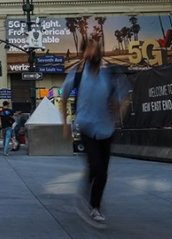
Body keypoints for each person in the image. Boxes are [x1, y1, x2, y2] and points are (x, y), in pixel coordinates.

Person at [60, 37, 127, 227]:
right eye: (89, 49)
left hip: (107, 128)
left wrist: (119, 110)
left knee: (102, 172)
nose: (93, 52)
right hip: (87, 126)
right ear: (84, 54)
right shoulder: (77, 75)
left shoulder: (110, 74)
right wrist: (65, 123)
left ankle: (93, 205)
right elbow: (63, 97)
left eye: (95, 48)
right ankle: (92, 204)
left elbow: (124, 98)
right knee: (96, 165)